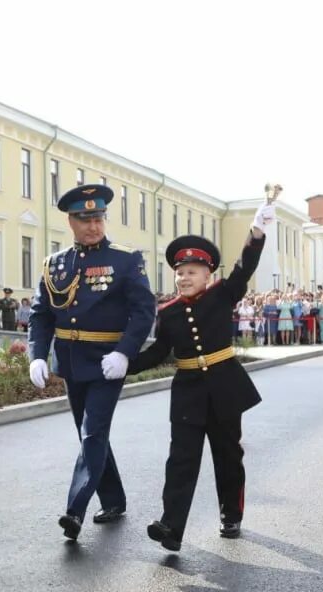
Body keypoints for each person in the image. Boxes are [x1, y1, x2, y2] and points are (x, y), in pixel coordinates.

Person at [126, 202, 271, 551]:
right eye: (180, 272)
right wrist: (123, 364)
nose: (184, 278)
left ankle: (231, 515)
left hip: (224, 387)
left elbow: (244, 267)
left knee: (227, 456)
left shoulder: (223, 294)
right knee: (181, 460)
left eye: (192, 271)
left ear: (208, 275)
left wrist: (256, 234)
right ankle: (171, 527)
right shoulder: (168, 312)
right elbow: (159, 352)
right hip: (188, 392)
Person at [28, 184, 155, 541]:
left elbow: (144, 311)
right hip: (71, 362)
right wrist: (37, 355)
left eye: (98, 218)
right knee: (90, 436)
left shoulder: (125, 259)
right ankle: (114, 500)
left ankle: (75, 511)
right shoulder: (54, 264)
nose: (93, 226)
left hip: (107, 363)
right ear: (70, 221)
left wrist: (124, 352)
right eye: (85, 220)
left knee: (93, 432)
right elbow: (41, 316)